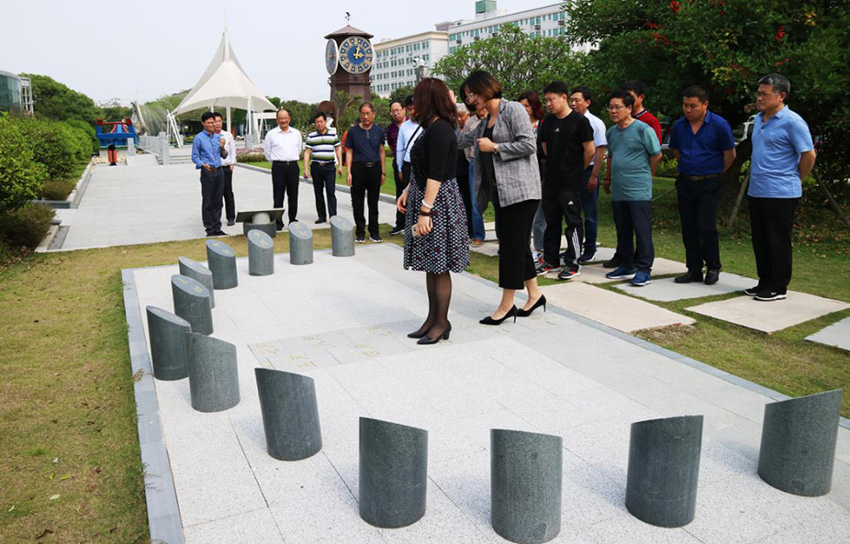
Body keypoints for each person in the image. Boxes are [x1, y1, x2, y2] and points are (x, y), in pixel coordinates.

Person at [458, 71, 545, 323]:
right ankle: (535, 295)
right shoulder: (484, 122)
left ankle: (507, 305)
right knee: (516, 244)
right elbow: (462, 140)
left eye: (472, 93)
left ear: (485, 89)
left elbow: (529, 144)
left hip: (523, 191)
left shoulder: (514, 109)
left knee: (509, 248)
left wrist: (495, 147)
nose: (471, 99)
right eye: (467, 96)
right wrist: (441, 127)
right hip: (502, 194)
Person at [397, 78, 470, 344]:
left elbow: (437, 174)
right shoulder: (430, 128)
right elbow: (421, 167)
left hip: (438, 204)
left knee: (439, 266)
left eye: (417, 98)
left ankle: (442, 323)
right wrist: (407, 191)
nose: (414, 104)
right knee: (431, 264)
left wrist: (425, 211)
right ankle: (432, 319)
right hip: (427, 198)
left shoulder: (440, 129)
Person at [745, 74, 815, 301]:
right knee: (761, 239)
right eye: (759, 93)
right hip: (757, 189)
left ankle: (778, 286)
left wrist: (796, 179)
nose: (760, 98)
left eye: (765, 94)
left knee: (777, 240)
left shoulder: (793, 122)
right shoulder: (758, 119)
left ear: (781, 96)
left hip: (781, 191)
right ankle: (764, 281)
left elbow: (808, 154)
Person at [668, 86, 736, 286]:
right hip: (686, 181)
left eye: (693, 106)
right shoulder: (680, 126)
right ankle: (694, 268)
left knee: (706, 227)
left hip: (709, 182)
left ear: (705, 104)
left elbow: (730, 155)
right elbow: (677, 151)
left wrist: (716, 172)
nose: (688, 110)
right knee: (688, 228)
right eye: (685, 105)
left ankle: (713, 266)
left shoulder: (719, 125)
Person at [537, 81, 596, 281]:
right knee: (551, 222)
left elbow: (590, 150)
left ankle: (573, 262)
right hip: (551, 180)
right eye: (546, 101)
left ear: (564, 97)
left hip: (571, 182)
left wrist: (577, 169)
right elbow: (544, 147)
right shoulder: (547, 122)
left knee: (572, 222)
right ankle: (551, 259)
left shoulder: (579, 121)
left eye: (552, 99)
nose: (549, 104)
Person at [603, 90, 662, 287]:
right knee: (623, 229)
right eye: (610, 107)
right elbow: (611, 156)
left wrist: (647, 174)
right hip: (619, 189)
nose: (613, 111)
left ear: (629, 108)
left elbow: (656, 154)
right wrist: (608, 177)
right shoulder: (612, 132)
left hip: (638, 190)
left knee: (642, 230)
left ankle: (644, 269)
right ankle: (626, 264)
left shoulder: (643, 129)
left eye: (617, 107)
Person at [569, 86, 608, 262]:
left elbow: (599, 151)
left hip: (587, 172)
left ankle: (590, 248)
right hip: (572, 173)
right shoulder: (569, 121)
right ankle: (573, 247)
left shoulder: (595, 123)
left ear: (587, 102)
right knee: (572, 212)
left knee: (589, 214)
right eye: (572, 100)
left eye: (577, 100)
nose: (573, 103)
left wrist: (594, 175)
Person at [345, 103, 386, 243]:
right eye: (363, 113)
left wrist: (383, 172)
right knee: (357, 202)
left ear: (373, 114)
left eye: (368, 113)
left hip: (375, 169)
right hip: (358, 169)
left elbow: (382, 152)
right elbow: (349, 152)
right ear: (360, 114)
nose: (365, 116)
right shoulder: (353, 132)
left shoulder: (379, 131)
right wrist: (348, 172)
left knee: (373, 203)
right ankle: (360, 233)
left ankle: (374, 232)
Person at [518, 90, 547, 265]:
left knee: (539, 216)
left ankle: (540, 249)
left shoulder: (542, 124)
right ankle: (527, 248)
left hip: (540, 173)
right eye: (520, 107)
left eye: (527, 106)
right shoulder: (517, 125)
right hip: (522, 175)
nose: (524, 110)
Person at [263, 109, 302, 230]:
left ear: (289, 118)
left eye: (285, 118)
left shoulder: (296, 133)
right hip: (278, 167)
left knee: (293, 194)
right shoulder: (271, 134)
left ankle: (292, 219)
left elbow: (299, 149)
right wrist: (277, 162)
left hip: (293, 166)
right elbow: (267, 152)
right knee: (278, 195)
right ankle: (278, 221)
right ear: (277, 120)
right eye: (281, 118)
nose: (283, 120)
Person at [191, 111, 228, 236]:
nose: (211, 125)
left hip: (219, 171)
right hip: (207, 172)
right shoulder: (199, 138)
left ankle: (217, 227)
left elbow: (224, 155)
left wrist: (223, 147)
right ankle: (209, 229)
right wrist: (202, 164)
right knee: (208, 200)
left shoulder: (219, 138)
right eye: (208, 123)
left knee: (218, 201)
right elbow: (194, 157)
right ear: (203, 123)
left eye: (213, 122)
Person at [303, 112, 342, 224]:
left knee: (331, 192)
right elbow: (307, 153)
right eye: (317, 122)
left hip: (329, 167)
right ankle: (321, 216)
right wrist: (306, 169)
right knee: (318, 192)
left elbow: (338, 149)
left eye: (321, 121)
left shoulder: (333, 135)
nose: (319, 124)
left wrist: (340, 165)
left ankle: (333, 216)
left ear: (325, 122)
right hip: (316, 167)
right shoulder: (311, 136)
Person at [463, 102, 488, 246]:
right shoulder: (470, 122)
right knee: (475, 199)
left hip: (491, 161)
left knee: (497, 201)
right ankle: (478, 234)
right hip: (474, 162)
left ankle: (501, 235)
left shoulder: (494, 119)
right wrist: (471, 160)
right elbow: (465, 143)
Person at [387, 100, 407, 235]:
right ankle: (400, 223)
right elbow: (390, 144)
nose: (396, 113)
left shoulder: (413, 124)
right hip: (398, 163)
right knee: (400, 193)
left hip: (412, 163)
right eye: (393, 111)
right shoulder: (390, 129)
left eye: (398, 110)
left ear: (404, 110)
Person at [455, 103, 473, 236]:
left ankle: (471, 229)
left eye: (462, 117)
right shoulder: (453, 130)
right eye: (457, 117)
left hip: (469, 169)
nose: (460, 119)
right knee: (458, 201)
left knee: (469, 200)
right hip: (456, 170)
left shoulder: (471, 128)